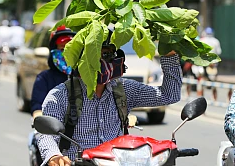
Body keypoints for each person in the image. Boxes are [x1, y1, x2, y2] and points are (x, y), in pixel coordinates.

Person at [37, 30, 183, 166]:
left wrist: (169, 55)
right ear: (82, 59)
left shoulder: (124, 89)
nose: (101, 62)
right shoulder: (60, 95)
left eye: (106, 54)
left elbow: (169, 95)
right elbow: (46, 135)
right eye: (94, 55)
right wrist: (54, 156)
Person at [29, 25, 75, 166]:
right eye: (62, 49)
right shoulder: (44, 78)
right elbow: (37, 108)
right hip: (53, 134)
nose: (66, 53)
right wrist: (40, 121)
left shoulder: (87, 79)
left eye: (71, 49)